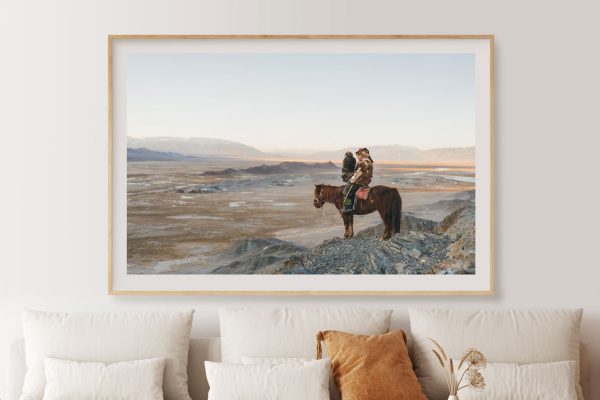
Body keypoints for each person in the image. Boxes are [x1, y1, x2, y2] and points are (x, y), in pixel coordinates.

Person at [343, 148, 374, 213]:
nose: (357, 157)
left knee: (347, 191)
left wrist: (352, 180)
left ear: (362, 155)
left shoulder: (363, 162)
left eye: (358, 155)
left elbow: (359, 174)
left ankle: (348, 208)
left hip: (361, 181)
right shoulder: (368, 161)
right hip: (365, 180)